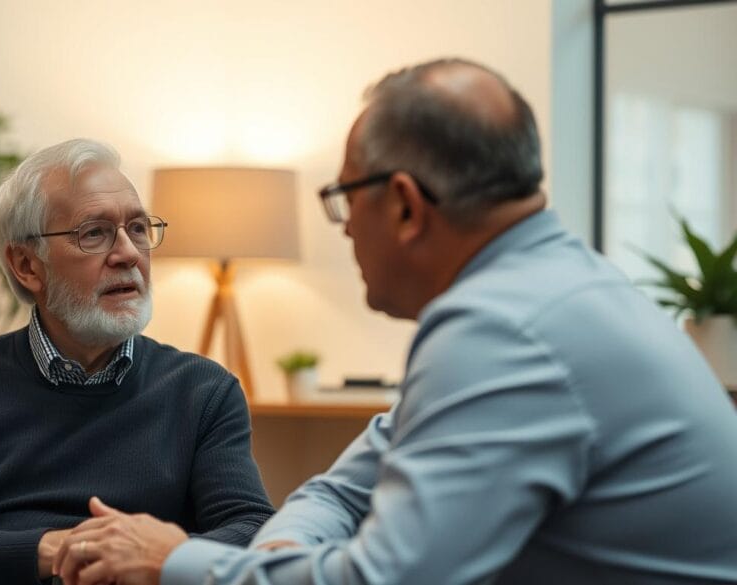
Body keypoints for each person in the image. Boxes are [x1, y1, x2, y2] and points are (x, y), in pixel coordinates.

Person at [52, 58, 737, 585]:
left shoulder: (504, 329)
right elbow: (342, 487)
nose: (345, 230)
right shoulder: (553, 287)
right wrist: (278, 556)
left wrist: (175, 560)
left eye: (343, 198)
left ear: (405, 206)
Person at [0, 139, 274, 584]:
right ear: (27, 265)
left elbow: (253, 531)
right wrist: (59, 548)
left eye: (138, 228)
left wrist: (157, 555)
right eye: (94, 233)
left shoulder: (204, 390)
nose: (129, 254)